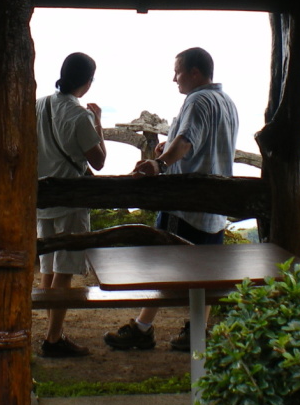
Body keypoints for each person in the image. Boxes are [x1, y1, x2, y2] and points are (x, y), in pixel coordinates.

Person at [103, 47, 239, 352]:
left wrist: (160, 164)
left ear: (194, 72)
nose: (173, 78)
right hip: (215, 206)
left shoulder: (197, 99)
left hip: (186, 204)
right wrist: (168, 148)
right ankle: (196, 332)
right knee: (207, 273)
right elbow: (199, 142)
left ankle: (142, 328)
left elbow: (187, 140)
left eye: (177, 71)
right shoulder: (226, 102)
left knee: (161, 264)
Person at [36, 52, 107, 358]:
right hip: (71, 198)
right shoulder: (80, 116)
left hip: (43, 195)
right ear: (87, 82)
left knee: (49, 267)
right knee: (63, 269)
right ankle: (53, 338)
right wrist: (99, 124)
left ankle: (51, 332)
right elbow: (99, 161)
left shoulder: (40, 104)